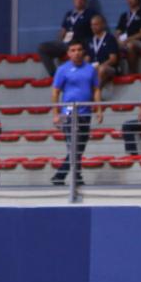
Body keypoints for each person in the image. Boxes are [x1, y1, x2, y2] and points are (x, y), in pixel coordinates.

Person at [50, 40, 102, 187]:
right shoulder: (62, 69)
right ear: (68, 53)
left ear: (83, 51)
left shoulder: (90, 69)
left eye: (79, 49)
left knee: (80, 146)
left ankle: (71, 176)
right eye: (73, 50)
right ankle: (67, 176)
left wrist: (99, 109)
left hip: (85, 113)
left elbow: (96, 89)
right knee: (74, 146)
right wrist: (56, 113)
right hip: (69, 113)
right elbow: (55, 92)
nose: (77, 53)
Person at [38, 0, 98, 76]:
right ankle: (54, 75)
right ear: (74, 0)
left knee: (76, 49)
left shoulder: (90, 14)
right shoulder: (69, 14)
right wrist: (59, 41)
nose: (79, 1)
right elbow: (63, 30)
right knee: (42, 47)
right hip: (66, 43)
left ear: (85, 1)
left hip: (80, 42)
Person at [115, 0, 141, 74]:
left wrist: (128, 39)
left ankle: (132, 71)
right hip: (124, 40)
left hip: (139, 41)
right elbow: (118, 30)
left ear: (137, 0)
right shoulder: (124, 15)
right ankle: (117, 70)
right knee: (112, 45)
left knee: (130, 45)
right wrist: (118, 39)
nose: (129, 1)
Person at [85, 14, 121, 89]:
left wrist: (99, 66)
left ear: (103, 25)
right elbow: (87, 58)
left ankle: (94, 93)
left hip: (110, 67)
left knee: (102, 69)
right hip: (94, 67)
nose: (93, 27)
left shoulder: (110, 39)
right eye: (92, 25)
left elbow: (113, 59)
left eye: (96, 24)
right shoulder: (90, 40)